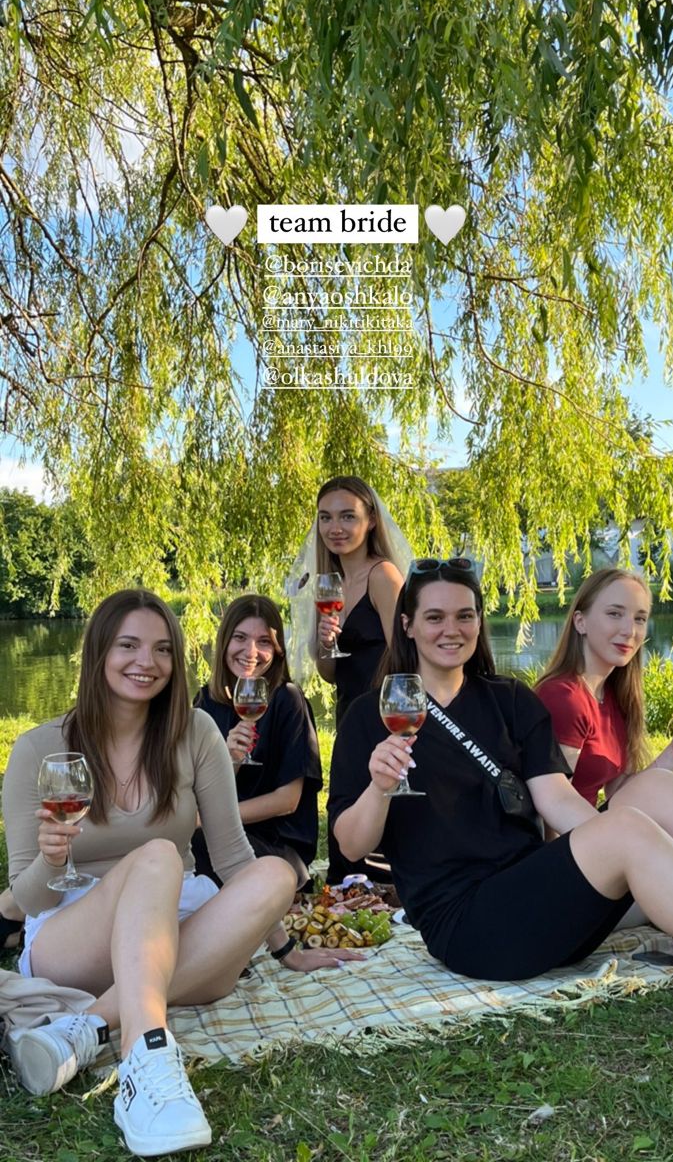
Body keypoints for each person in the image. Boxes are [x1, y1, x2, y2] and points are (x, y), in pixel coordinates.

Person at [2, 589, 358, 1156]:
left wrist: (284, 948)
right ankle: (146, 1062)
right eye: (129, 646)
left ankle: (87, 1026)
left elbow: (235, 855)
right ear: (97, 653)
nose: (147, 662)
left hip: (178, 933)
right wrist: (52, 860)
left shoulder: (194, 733)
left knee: (273, 874)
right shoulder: (39, 749)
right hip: (74, 937)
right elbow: (25, 898)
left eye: (163, 649)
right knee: (160, 855)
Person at [328, 559, 673, 981]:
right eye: (434, 617)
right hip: (466, 925)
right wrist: (379, 788)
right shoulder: (369, 716)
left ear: (479, 622)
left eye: (465, 616)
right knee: (627, 831)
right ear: (408, 625)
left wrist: (609, 840)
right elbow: (349, 845)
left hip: (535, 896)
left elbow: (557, 800)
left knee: (640, 809)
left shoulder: (510, 699)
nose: (451, 629)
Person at [288, 475, 412, 882]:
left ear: (371, 520)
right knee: (347, 813)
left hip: (384, 719)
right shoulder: (330, 583)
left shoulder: (383, 576)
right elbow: (329, 672)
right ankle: (351, 898)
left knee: (379, 811)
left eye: (346, 516)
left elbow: (408, 659)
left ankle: (388, 896)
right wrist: (326, 641)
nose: (335, 528)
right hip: (349, 716)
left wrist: (393, 720)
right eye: (325, 518)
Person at [191, 595, 322, 890]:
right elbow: (195, 794)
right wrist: (230, 763)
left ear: (276, 651)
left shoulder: (287, 699)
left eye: (264, 641)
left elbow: (287, 801)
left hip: (277, 847)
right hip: (222, 838)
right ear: (225, 642)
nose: (251, 652)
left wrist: (212, 820)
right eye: (240, 638)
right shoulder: (204, 703)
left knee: (198, 840)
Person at [535, 568, 673, 806]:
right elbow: (551, 812)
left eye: (639, 618)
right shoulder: (564, 698)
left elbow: (620, 795)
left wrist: (671, 754)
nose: (629, 631)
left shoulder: (613, 696)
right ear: (581, 622)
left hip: (597, 828)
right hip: (569, 838)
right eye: (614, 613)